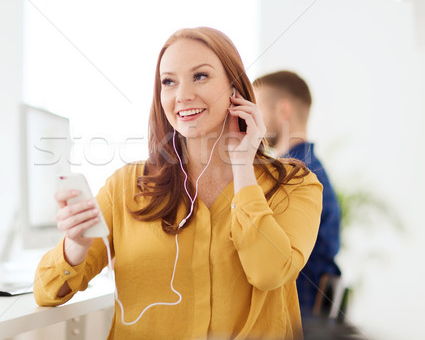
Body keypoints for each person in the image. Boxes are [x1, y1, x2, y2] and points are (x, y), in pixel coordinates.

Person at [34, 28, 323, 339]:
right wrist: (75, 247)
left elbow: (267, 273)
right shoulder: (127, 186)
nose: (182, 95)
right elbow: (46, 292)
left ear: (235, 90)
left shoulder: (295, 184)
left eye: (200, 76)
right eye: (168, 81)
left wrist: (242, 166)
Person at [253, 71, 341, 318]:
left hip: (295, 314)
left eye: (257, 108)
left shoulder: (297, 175)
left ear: (284, 110)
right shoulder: (310, 166)